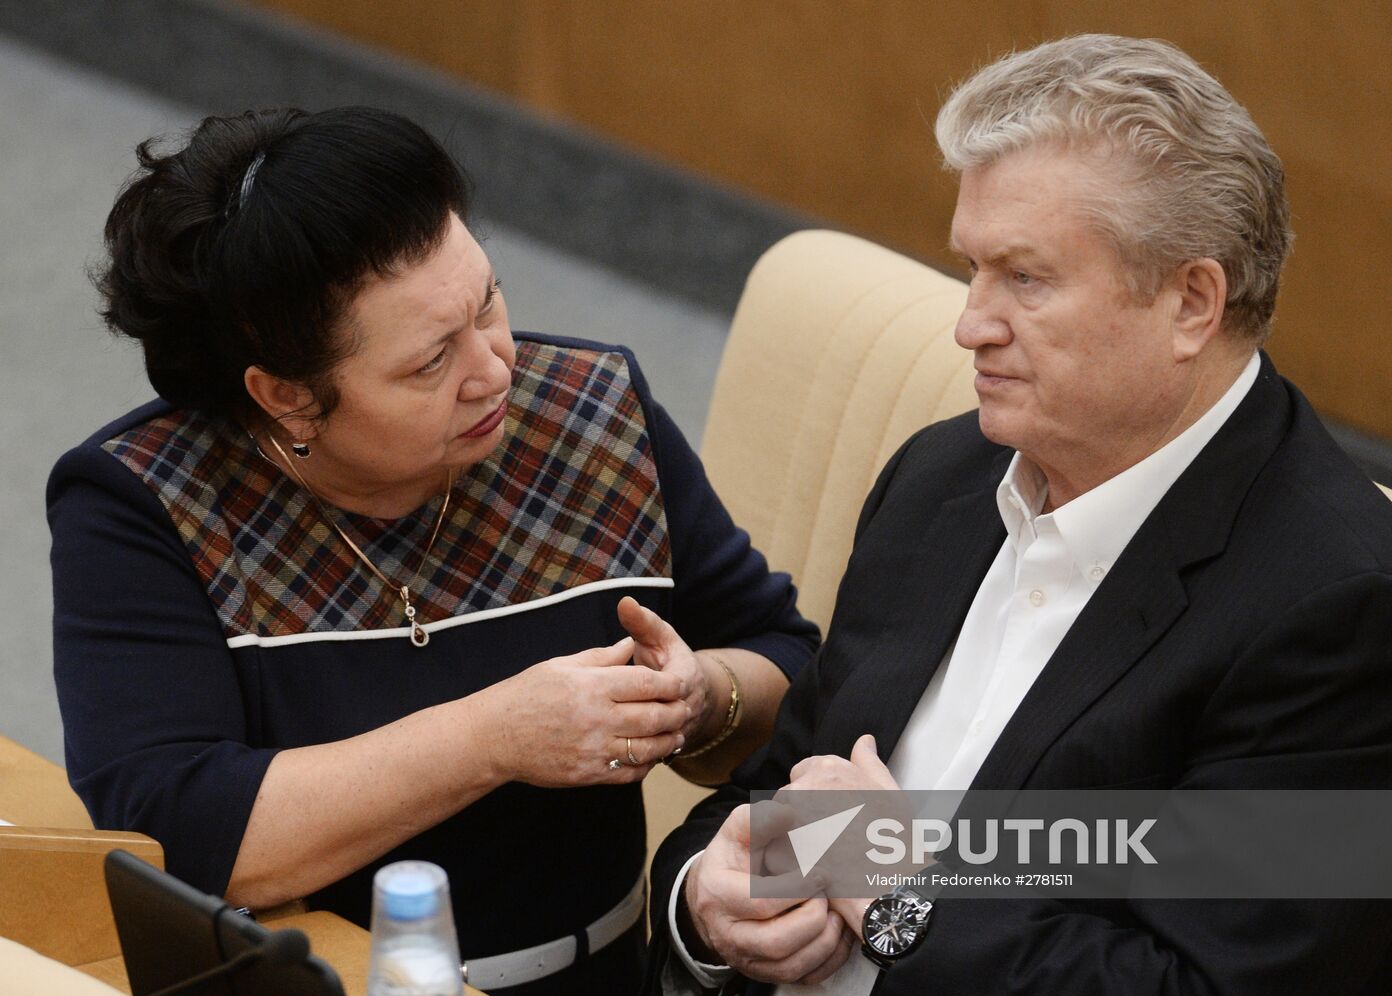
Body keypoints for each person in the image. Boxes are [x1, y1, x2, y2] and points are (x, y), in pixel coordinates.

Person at [649, 34, 1392, 995]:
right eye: (972, 269)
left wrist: (895, 897)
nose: (971, 323)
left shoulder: (1344, 611)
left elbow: (1202, 985)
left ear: (1192, 304)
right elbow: (781, 791)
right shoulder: (944, 477)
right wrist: (707, 905)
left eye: (1026, 279)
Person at [48, 106, 819, 995]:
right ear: (289, 398)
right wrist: (495, 737)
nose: (496, 369)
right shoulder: (150, 501)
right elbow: (176, 831)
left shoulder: (592, 420)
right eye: (431, 361)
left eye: (488, 299)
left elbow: (788, 663)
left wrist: (702, 699)